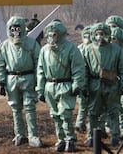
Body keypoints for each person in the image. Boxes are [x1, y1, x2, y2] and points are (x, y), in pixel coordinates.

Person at [36, 20, 86, 152]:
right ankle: (61, 139)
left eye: (55, 34)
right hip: (50, 86)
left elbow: (78, 68)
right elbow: (41, 70)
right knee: (55, 115)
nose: (52, 37)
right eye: (50, 34)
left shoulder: (71, 48)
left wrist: (76, 84)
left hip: (65, 85)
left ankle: (70, 138)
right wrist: (40, 89)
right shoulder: (44, 50)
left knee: (65, 114)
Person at [0, 16, 43, 147]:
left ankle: (33, 135)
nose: (15, 31)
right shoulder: (5, 46)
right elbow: (0, 64)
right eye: (12, 28)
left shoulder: (32, 44)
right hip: (11, 79)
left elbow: (39, 63)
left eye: (18, 28)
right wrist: (0, 82)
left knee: (30, 107)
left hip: (28, 78)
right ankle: (19, 134)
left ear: (23, 28)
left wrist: (39, 81)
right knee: (15, 108)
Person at [81, 23, 123, 147]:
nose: (99, 37)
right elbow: (84, 70)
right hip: (94, 84)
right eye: (97, 34)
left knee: (113, 111)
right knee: (93, 112)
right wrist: (84, 86)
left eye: (102, 34)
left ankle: (115, 136)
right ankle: (91, 136)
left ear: (107, 34)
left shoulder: (116, 49)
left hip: (112, 84)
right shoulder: (88, 49)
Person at [75, 25, 92, 133]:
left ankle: (81, 123)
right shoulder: (79, 49)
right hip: (82, 79)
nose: (87, 38)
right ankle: (80, 124)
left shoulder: (92, 48)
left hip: (91, 79)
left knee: (89, 104)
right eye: (85, 36)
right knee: (83, 103)